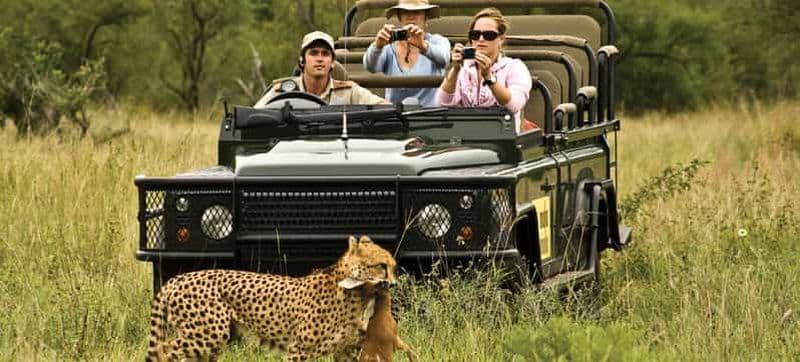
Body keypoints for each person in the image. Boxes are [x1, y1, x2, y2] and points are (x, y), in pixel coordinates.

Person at [435, 7, 533, 133]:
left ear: (501, 39)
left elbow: (514, 105)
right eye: (475, 35)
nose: (481, 39)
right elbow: (442, 102)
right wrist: (455, 69)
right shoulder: (464, 69)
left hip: (503, 138)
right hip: (465, 137)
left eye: (489, 35)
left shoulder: (515, 67)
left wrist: (489, 77)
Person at [255, 31, 386, 107]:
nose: (320, 59)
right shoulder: (282, 92)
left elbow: (384, 107)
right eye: (313, 53)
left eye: (325, 54)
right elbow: (253, 116)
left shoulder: (349, 92)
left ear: (332, 63)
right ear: (302, 60)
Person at [363, 0, 450, 107]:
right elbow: (371, 67)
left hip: (430, 115)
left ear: (425, 16)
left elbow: (445, 59)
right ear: (399, 17)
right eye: (405, 12)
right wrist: (378, 46)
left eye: (417, 12)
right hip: (395, 116)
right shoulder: (389, 44)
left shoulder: (437, 41)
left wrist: (423, 46)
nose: (410, 16)